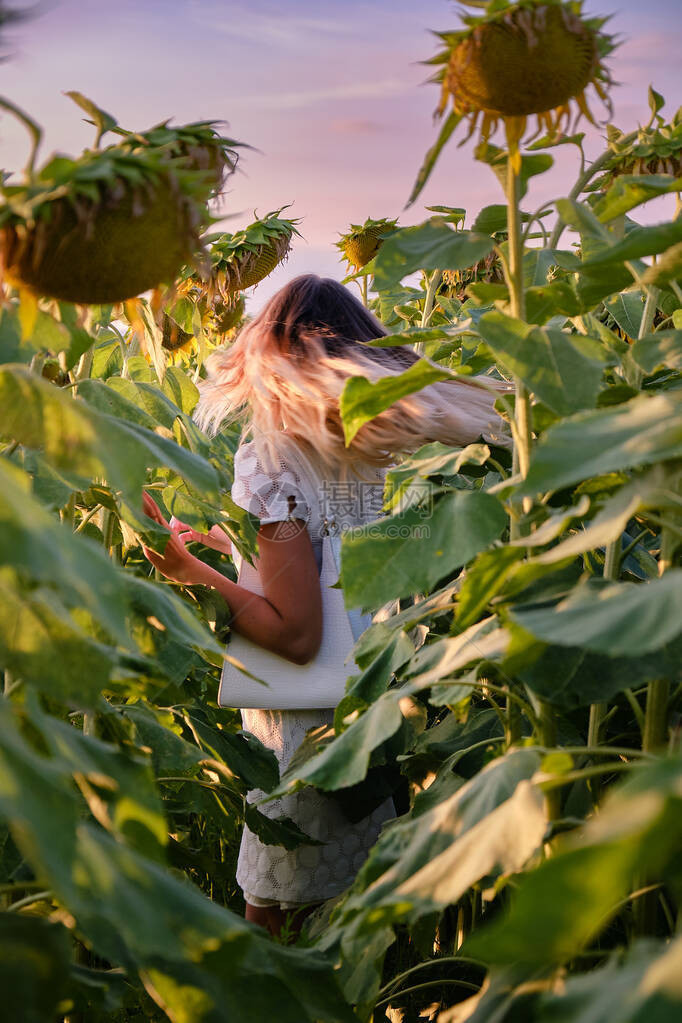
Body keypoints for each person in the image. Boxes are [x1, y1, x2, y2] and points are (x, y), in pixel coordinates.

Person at [142, 274, 507, 940]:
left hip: (301, 741)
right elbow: (335, 555)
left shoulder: (271, 461)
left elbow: (296, 632)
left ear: (269, 359)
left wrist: (191, 572)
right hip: (366, 713)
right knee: (348, 929)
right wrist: (232, 542)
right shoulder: (363, 453)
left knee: (276, 927)